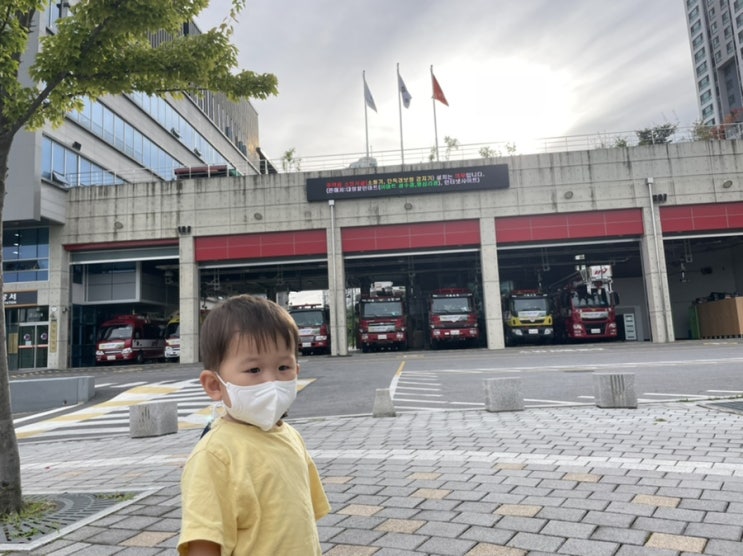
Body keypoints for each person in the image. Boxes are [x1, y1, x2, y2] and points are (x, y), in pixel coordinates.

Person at [178, 294, 330, 556]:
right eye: (254, 370)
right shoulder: (214, 456)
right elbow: (204, 543)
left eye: (284, 367)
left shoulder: (291, 436)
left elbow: (302, 520)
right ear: (215, 385)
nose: (272, 381)